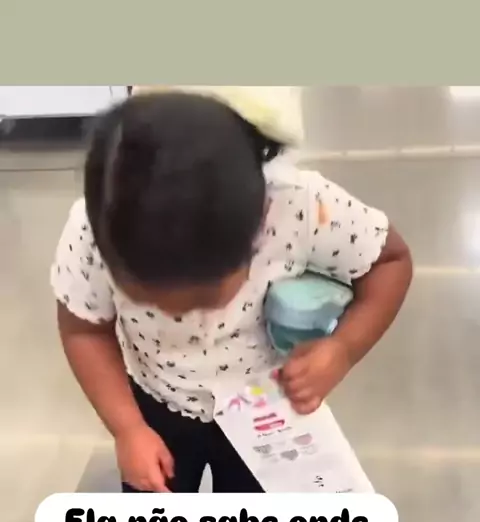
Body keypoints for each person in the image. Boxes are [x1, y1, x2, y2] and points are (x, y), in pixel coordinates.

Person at [51, 90, 412, 494]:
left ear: (259, 227)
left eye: (206, 298)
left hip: (267, 410)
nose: (178, 316)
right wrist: (127, 429)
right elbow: (85, 329)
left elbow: (389, 261)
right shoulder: (92, 230)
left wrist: (343, 348)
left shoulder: (300, 207)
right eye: (146, 299)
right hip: (154, 404)